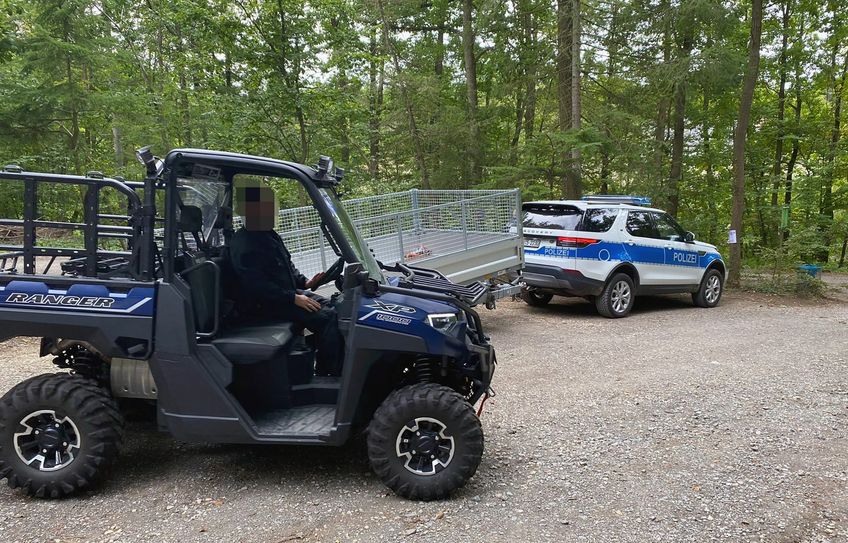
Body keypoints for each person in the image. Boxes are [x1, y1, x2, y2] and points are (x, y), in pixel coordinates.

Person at [229, 181, 343, 376]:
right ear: (252, 210)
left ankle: (329, 361)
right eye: (266, 207)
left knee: (339, 308)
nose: (272, 212)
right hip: (266, 305)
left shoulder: (268, 235)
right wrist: (293, 298)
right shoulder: (245, 243)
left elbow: (287, 267)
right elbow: (257, 287)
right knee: (329, 319)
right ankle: (329, 373)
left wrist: (306, 283)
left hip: (284, 297)